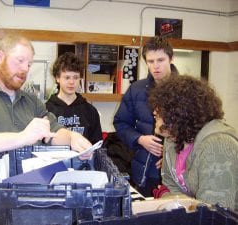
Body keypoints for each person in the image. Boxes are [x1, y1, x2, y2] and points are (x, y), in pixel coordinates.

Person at [0, 35, 93, 179]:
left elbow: (53, 130)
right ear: (0, 57)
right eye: (20, 61)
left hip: (23, 190)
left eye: (29, 64)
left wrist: (72, 137)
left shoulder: (32, 102)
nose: (25, 69)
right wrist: (22, 137)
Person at [149, 75, 238, 211]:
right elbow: (169, 185)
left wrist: (168, 197)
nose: (154, 111)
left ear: (180, 113)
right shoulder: (173, 137)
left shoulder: (218, 145)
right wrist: (169, 197)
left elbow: (213, 213)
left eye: (162, 108)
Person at [113, 36, 178, 197]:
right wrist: (139, 139)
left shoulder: (187, 90)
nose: (155, 66)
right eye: (150, 61)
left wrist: (174, 157)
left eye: (160, 60)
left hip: (177, 175)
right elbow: (120, 123)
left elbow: (195, 133)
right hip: (144, 172)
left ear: (171, 58)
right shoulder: (136, 89)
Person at [46, 52, 102, 169]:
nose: (71, 82)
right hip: (53, 168)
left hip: (83, 168)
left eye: (75, 77)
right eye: (67, 77)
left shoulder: (90, 111)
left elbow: (97, 146)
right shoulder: (46, 110)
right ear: (57, 78)